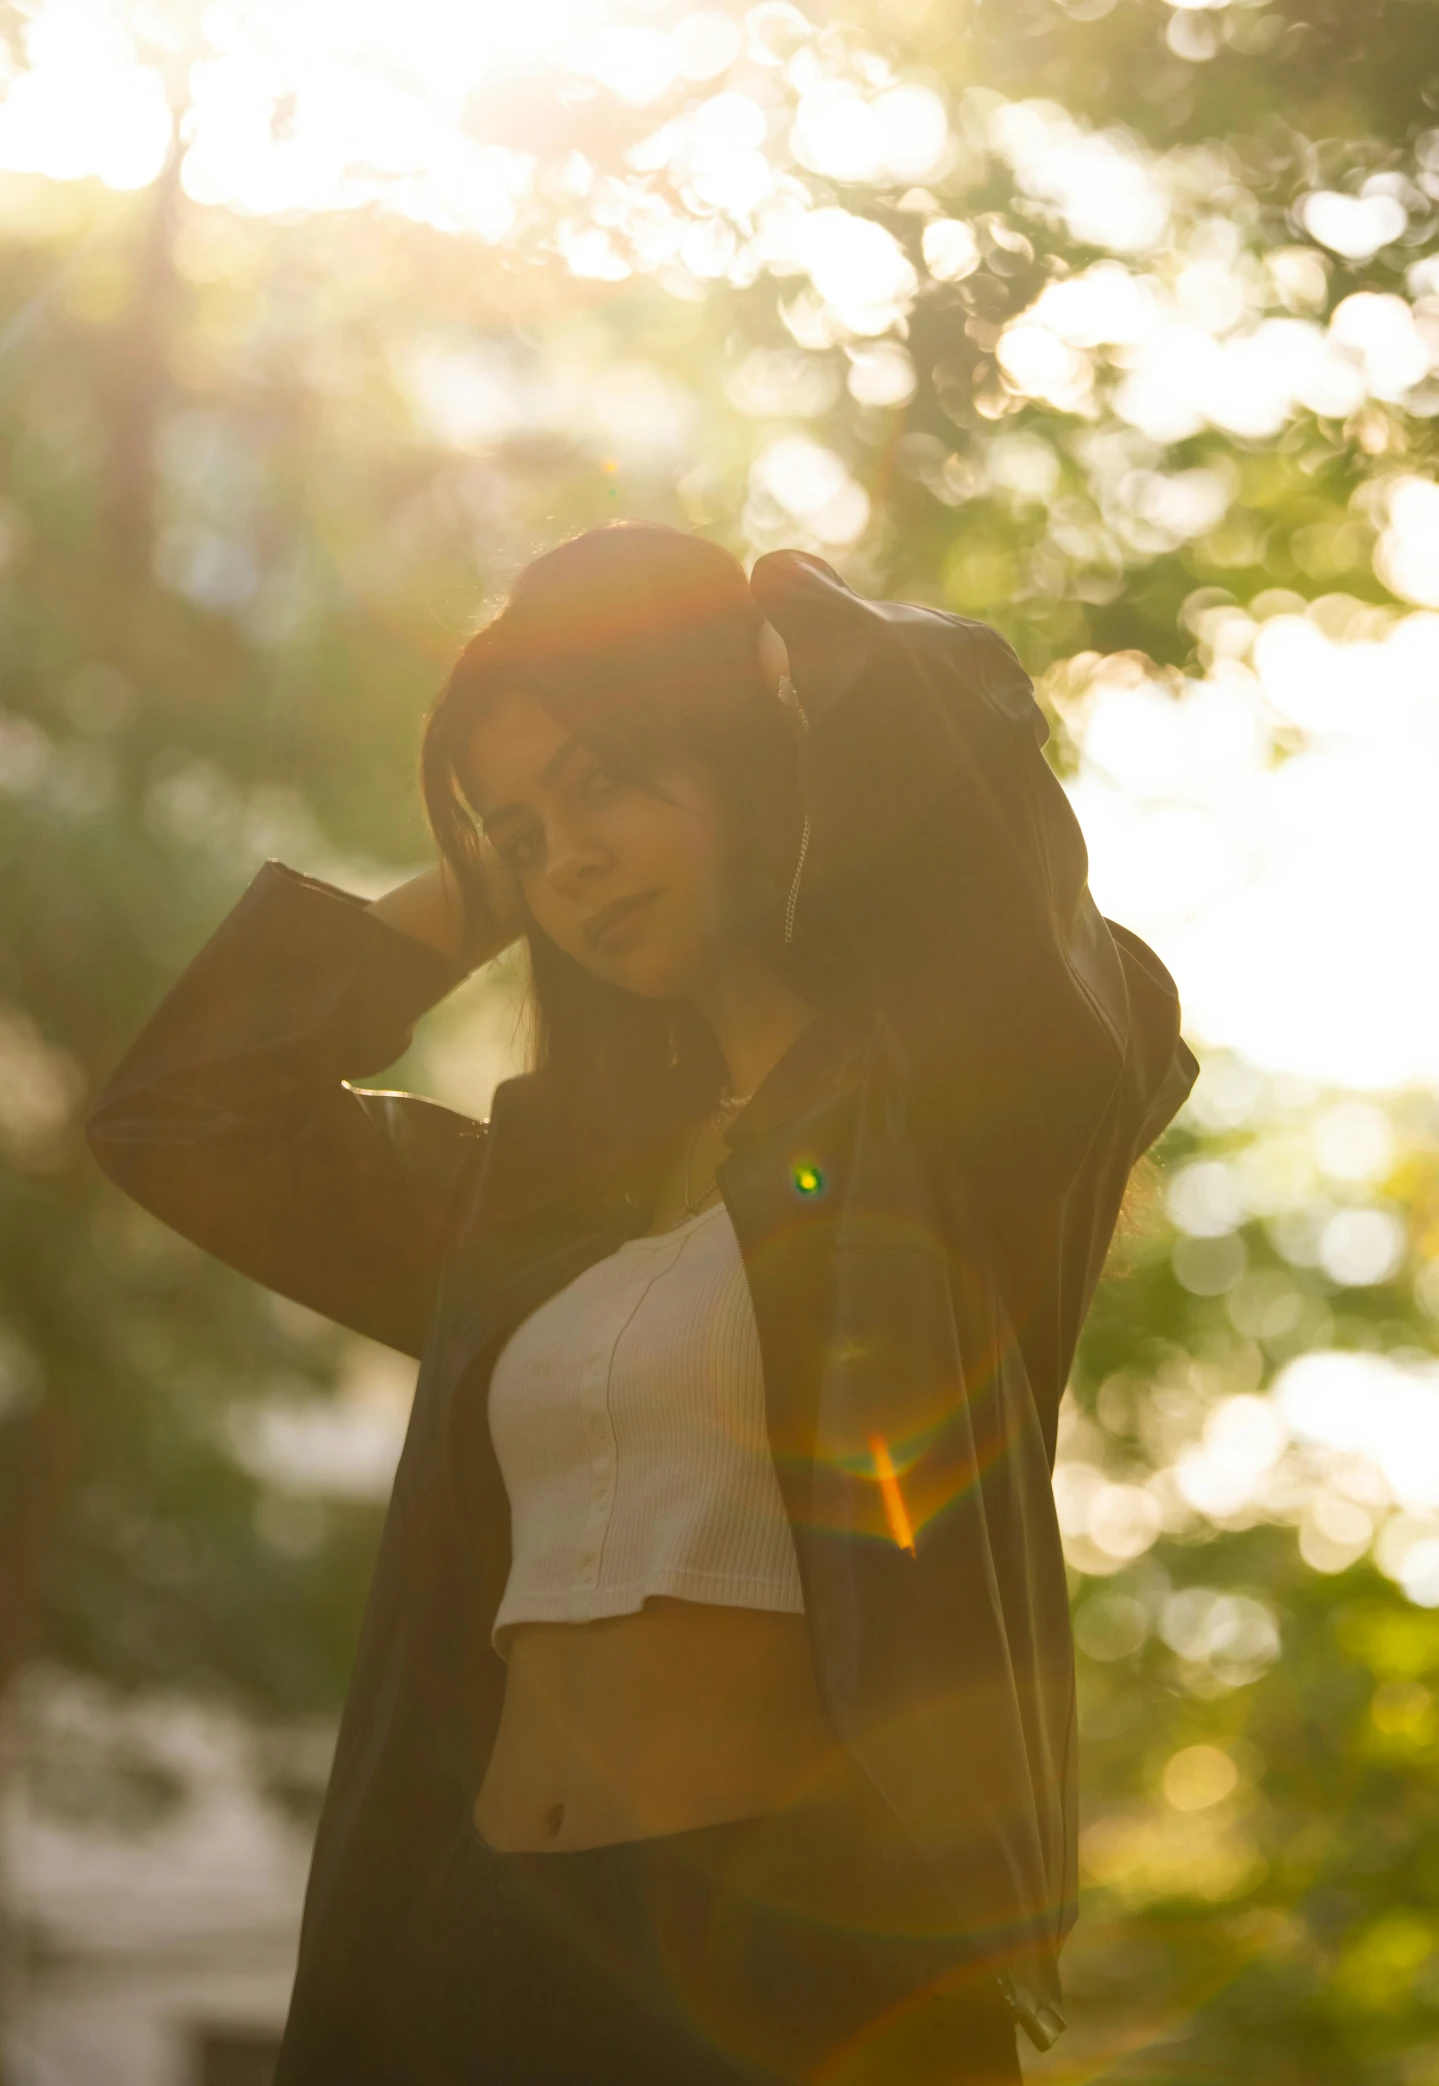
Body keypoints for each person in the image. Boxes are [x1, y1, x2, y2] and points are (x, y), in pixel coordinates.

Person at [86, 523, 1196, 2086]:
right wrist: (485, 884)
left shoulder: (960, 1128)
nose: (569, 858)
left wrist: (761, 615)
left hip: (790, 1970)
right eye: (524, 828)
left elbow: (961, 753)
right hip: (466, 1949)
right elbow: (180, 1114)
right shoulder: (538, 1213)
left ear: (753, 754)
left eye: (607, 779)